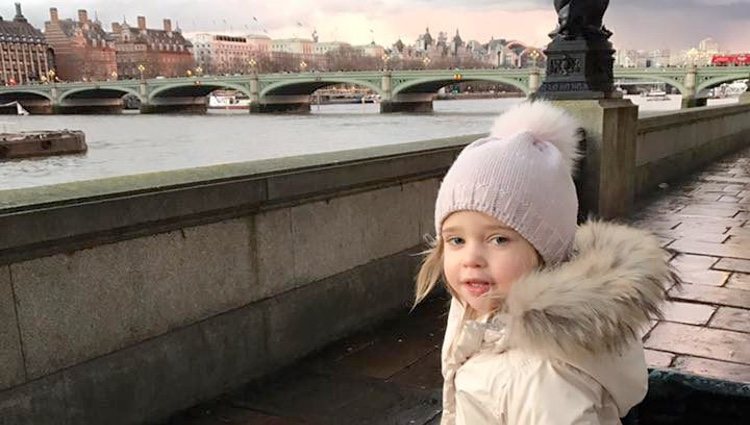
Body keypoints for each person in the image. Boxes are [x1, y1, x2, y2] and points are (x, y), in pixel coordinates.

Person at [414, 101, 677, 424]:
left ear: (546, 250)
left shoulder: (541, 380)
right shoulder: (485, 316)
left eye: (499, 239)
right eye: (456, 240)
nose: (470, 258)